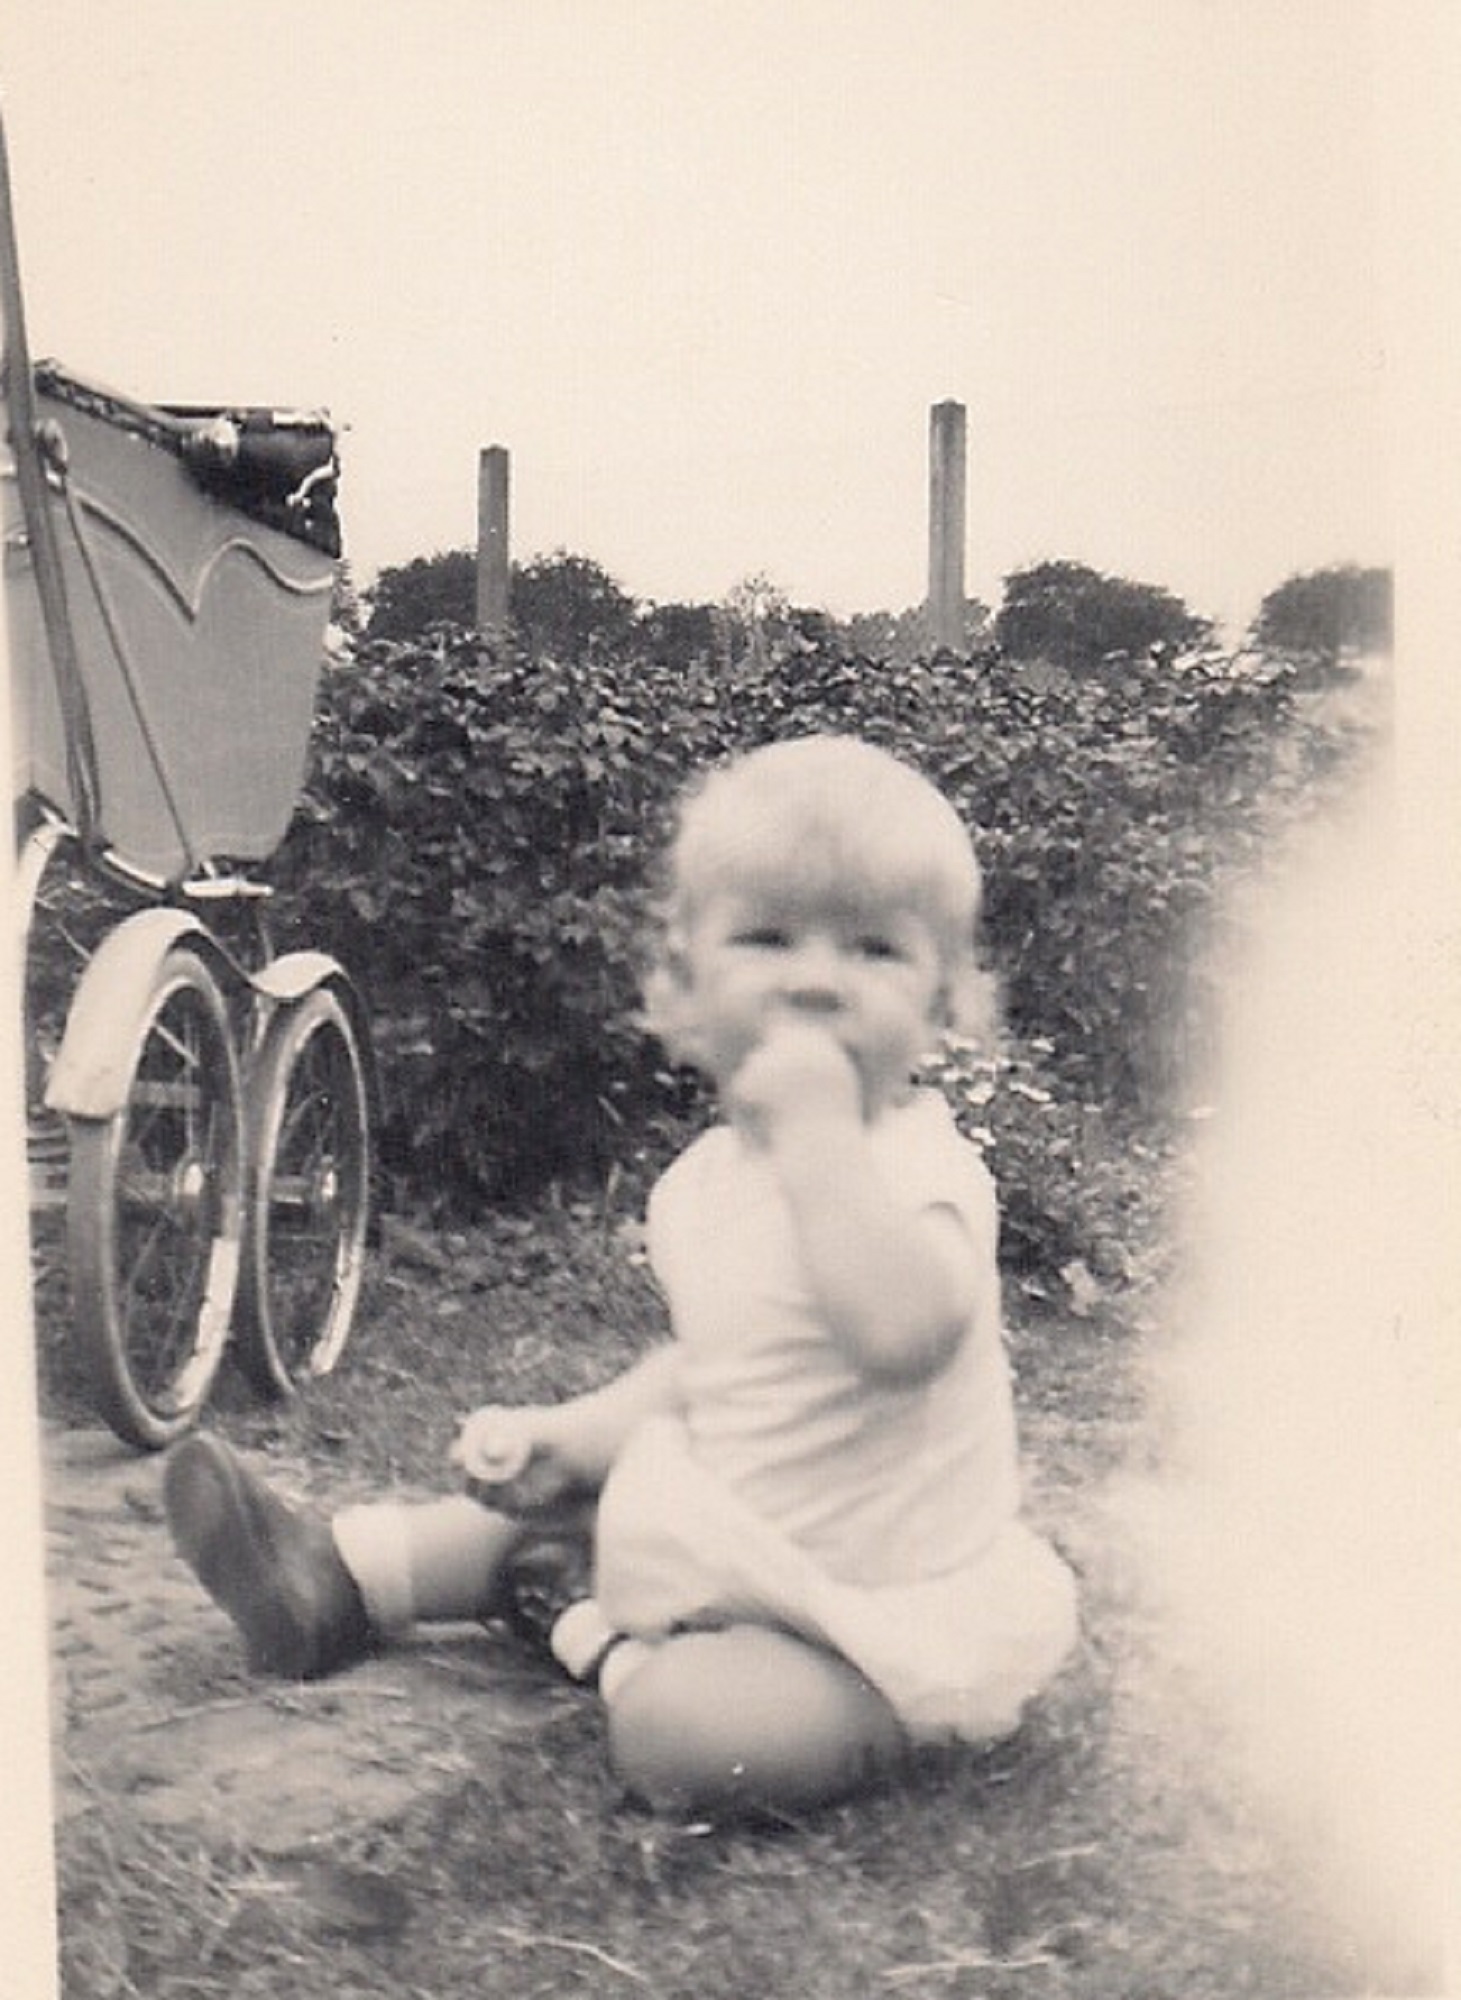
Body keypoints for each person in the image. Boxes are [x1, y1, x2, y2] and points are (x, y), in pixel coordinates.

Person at [164, 734, 1078, 1816]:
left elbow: (905, 1335)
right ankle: (337, 1573)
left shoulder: (917, 1169)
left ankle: (596, 1637)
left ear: (941, 1008)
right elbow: (710, 1365)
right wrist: (580, 1431)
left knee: (681, 1737)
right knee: (560, 1499)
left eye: (875, 950)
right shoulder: (704, 1184)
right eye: (770, 938)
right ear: (686, 991)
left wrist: (824, 1140)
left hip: (875, 1608)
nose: (819, 981)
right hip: (745, 1526)